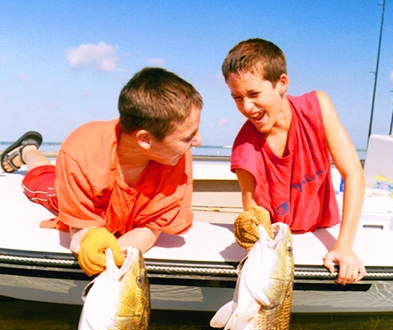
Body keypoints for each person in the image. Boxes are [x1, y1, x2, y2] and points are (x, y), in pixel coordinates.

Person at [1, 67, 203, 276]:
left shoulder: (174, 155)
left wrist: (111, 258)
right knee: (42, 180)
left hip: (117, 205)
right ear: (145, 139)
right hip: (72, 182)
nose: (198, 141)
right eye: (188, 138)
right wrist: (89, 242)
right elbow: (81, 230)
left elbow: (151, 228)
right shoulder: (80, 153)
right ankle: (28, 151)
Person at [222, 38, 366, 285]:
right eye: (237, 97)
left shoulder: (317, 106)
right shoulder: (244, 149)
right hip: (283, 243)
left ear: (282, 83)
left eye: (254, 94)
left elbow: (353, 174)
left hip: (321, 230)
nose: (247, 107)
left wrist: (344, 247)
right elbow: (252, 208)